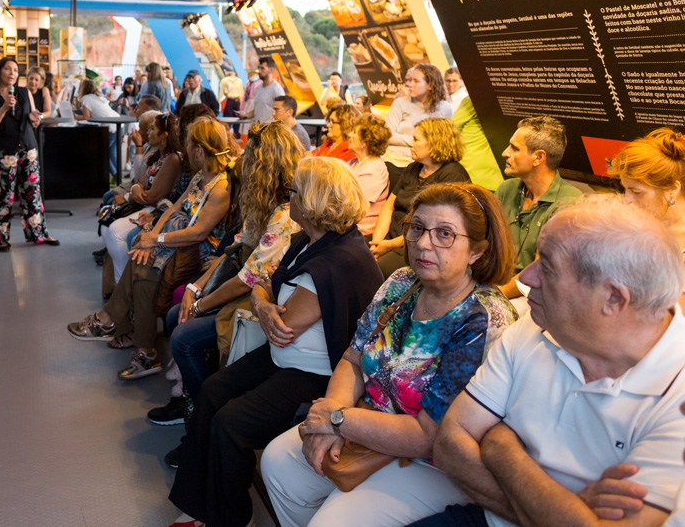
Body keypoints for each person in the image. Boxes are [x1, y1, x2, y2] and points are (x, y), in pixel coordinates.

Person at [413, 197, 685, 527]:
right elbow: (450, 444)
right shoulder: (538, 324)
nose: (526, 277)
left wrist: (500, 445)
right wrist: (561, 510)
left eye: (549, 267)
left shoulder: (678, 392)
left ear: (613, 298)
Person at [262, 182, 518, 527]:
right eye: (417, 228)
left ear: (477, 251)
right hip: (365, 422)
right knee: (276, 462)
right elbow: (353, 358)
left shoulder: (483, 318)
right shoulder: (402, 282)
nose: (423, 243)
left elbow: (429, 436)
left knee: (331, 521)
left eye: (444, 234)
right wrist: (332, 417)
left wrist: (336, 420)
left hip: (432, 464)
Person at [166, 157, 385, 527]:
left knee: (231, 424)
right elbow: (265, 284)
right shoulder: (307, 240)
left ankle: (233, 519)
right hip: (286, 355)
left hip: (315, 373)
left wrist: (265, 303)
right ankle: (197, 502)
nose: (288, 198)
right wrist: (263, 303)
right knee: (212, 391)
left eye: (293, 191)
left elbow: (282, 323)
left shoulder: (339, 259)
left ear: (312, 202)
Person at [149, 121, 305, 428]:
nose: (244, 163)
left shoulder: (285, 213)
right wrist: (195, 288)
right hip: (247, 285)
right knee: (175, 315)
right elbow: (237, 249)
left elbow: (249, 278)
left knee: (183, 336)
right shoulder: (266, 201)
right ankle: (195, 400)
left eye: (251, 156)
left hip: (267, 299)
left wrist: (200, 305)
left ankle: (200, 417)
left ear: (264, 164)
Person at [68, 119, 235, 381]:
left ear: (199, 150)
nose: (186, 149)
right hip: (180, 243)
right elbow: (174, 208)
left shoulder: (221, 186)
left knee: (143, 266)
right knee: (141, 258)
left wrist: (156, 240)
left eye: (189, 144)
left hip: (198, 252)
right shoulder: (200, 177)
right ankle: (140, 348)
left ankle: (112, 323)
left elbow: (199, 233)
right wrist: (151, 235)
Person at [371, 117, 470, 277]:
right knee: (350, 252)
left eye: (416, 139)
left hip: (418, 245)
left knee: (377, 270)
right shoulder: (413, 168)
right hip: (389, 238)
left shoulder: (452, 175)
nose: (411, 144)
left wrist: (388, 245)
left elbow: (432, 228)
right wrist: (376, 243)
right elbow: (389, 207)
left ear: (435, 143)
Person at [494, 116, 581, 297]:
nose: (505, 153)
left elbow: (540, 271)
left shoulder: (569, 204)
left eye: (514, 148)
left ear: (538, 157)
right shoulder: (506, 189)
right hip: (494, 283)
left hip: (532, 293)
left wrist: (495, 296)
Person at [0, 56, 56, 250]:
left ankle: (39, 234)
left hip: (28, 149)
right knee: (3, 197)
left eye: (15, 70)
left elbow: (33, 120)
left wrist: (34, 118)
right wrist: (4, 107)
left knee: (33, 195)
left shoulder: (24, 92)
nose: (12, 73)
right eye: (8, 69)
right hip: (3, 152)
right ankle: (2, 238)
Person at [101, 112, 183, 287]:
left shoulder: (172, 158)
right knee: (106, 222)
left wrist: (134, 192)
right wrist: (136, 190)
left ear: (164, 135)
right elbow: (138, 181)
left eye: (152, 129)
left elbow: (151, 195)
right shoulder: (156, 155)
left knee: (115, 231)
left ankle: (123, 284)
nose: (148, 132)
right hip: (144, 205)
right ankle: (120, 282)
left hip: (156, 209)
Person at [610, 127, 685, 253]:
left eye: (636, 192)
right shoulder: (630, 225)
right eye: (625, 189)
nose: (627, 199)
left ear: (672, 188)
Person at [386, 63, 453, 160]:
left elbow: (444, 141)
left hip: (428, 161)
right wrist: (415, 140)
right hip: (396, 158)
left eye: (416, 81)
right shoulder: (399, 103)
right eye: (410, 80)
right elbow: (387, 135)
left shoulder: (445, 108)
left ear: (430, 85)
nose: (410, 84)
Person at [347, 113, 392, 238]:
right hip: (345, 225)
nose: (349, 135)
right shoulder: (353, 162)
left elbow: (353, 206)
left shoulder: (375, 170)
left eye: (354, 132)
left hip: (358, 232)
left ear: (364, 142)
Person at [453, 94, 504, 191]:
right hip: (492, 174)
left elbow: (447, 129)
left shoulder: (474, 99)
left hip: (473, 171)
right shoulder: (500, 99)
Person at [74, 77, 121, 176]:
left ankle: (115, 174)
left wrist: (76, 117)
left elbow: (86, 117)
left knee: (102, 152)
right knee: (112, 153)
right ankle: (118, 176)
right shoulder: (98, 97)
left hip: (109, 126)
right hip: (117, 123)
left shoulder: (85, 98)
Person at [240, 58, 285, 124]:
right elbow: (257, 109)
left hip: (269, 128)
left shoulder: (277, 90)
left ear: (271, 70)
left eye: (262, 68)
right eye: (259, 68)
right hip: (258, 127)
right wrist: (245, 115)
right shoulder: (258, 88)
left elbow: (282, 112)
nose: (259, 71)